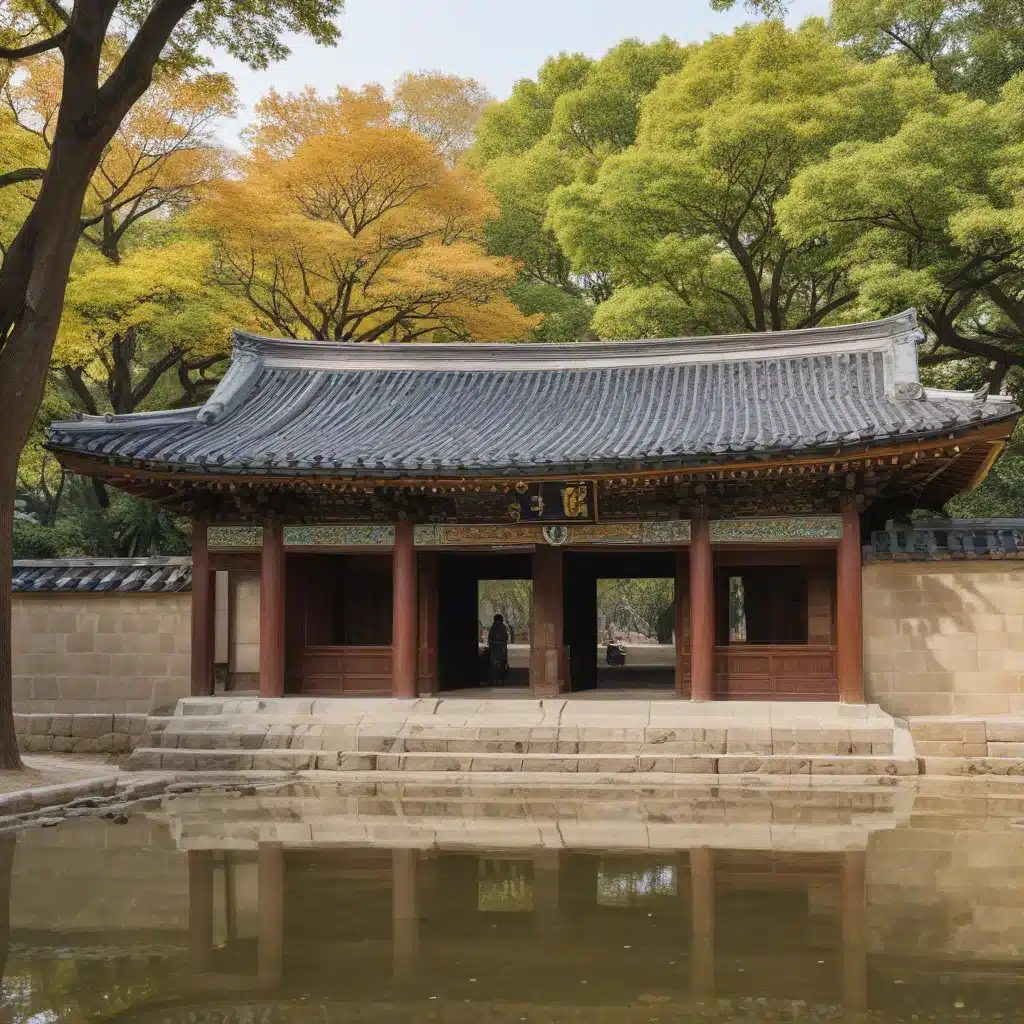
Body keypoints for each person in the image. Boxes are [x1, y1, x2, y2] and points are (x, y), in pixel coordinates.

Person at [487, 613, 509, 685]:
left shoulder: (493, 627)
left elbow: (490, 639)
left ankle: (495, 679)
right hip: (500, 647)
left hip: (496, 647)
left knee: (495, 664)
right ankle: (500, 679)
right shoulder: (502, 627)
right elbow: (506, 638)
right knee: (501, 663)